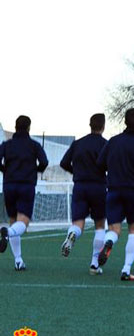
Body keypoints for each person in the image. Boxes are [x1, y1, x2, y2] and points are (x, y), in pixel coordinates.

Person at [96, 108, 134, 281]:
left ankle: (110, 242)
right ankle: (126, 269)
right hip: (132, 190)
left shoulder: (113, 141)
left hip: (113, 190)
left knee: (114, 228)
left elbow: (100, 163)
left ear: (125, 121)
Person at [59, 113, 108, 274]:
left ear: (90, 125)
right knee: (100, 225)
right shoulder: (105, 145)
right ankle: (94, 263)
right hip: (98, 187)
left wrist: (76, 172)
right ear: (103, 126)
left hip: (80, 186)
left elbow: (64, 162)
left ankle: (72, 234)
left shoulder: (78, 143)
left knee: (78, 223)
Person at [0, 115, 49, 270]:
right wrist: (35, 171)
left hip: (9, 185)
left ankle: (18, 260)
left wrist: (5, 170)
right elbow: (44, 162)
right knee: (23, 222)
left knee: (13, 220)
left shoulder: (6, 145)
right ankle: (7, 233)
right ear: (28, 128)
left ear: (15, 127)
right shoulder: (34, 145)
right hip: (26, 186)